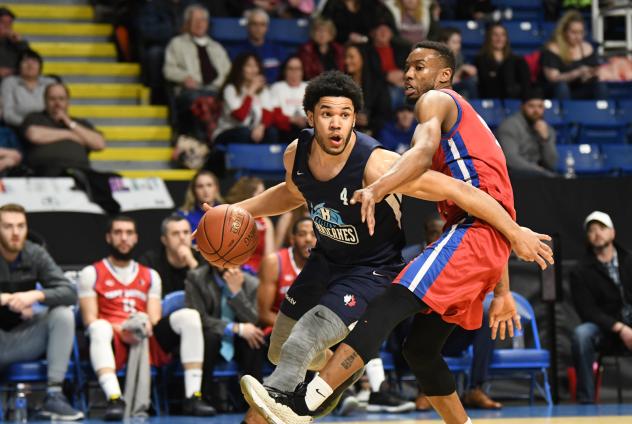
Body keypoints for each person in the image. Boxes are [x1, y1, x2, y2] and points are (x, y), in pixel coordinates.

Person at [241, 44, 552, 424]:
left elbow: (433, 166)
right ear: (310, 117)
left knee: (390, 302)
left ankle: (306, 402)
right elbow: (483, 210)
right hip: (477, 231)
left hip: (475, 229)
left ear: (444, 76)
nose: (408, 74)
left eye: (419, 67)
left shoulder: (435, 101)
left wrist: (377, 188)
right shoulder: (301, 152)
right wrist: (502, 290)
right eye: (406, 67)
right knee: (420, 350)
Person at [78, 215, 215, 420]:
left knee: (190, 316)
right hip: (111, 337)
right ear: (108, 237)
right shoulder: (91, 273)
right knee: (98, 327)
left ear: (136, 238)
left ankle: (193, 396)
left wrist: (141, 328)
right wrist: (122, 330)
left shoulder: (150, 275)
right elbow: (89, 319)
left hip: (144, 336)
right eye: (118, 233)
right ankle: (114, 398)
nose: (124, 238)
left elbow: (154, 318)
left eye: (129, 233)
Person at [0, 203, 84, 421]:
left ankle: (54, 395)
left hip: (20, 338)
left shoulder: (34, 253)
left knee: (62, 314)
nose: (16, 233)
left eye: (21, 226)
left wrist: (35, 296)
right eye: (8, 226)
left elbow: (69, 291)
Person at [185, 260, 265, 410]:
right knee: (210, 337)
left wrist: (236, 293)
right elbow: (198, 317)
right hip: (209, 338)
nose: (229, 262)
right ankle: (201, 397)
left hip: (236, 341)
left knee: (255, 338)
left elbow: (254, 320)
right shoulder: (196, 278)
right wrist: (235, 328)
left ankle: (254, 400)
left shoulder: (251, 282)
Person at [570, 211, 632, 404]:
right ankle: (586, 400)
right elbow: (588, 311)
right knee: (582, 335)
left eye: (602, 228)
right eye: (592, 230)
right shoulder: (580, 271)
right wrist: (620, 328)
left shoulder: (629, 261)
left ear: (612, 232)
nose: (597, 233)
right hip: (605, 328)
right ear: (588, 238)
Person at [163, 4, 231, 137]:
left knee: (225, 100)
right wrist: (183, 77)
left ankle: (214, 137)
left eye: (203, 20)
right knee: (200, 101)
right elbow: (168, 69)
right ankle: (206, 137)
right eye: (195, 20)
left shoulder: (217, 47)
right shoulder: (176, 43)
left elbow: (228, 73)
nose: (200, 24)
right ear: (188, 23)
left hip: (214, 90)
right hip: (191, 91)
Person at [21, 82, 106, 176]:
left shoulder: (79, 123)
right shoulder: (35, 118)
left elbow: (100, 144)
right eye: (52, 99)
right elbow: (34, 135)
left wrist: (70, 123)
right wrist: (70, 134)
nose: (57, 103)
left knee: (116, 182)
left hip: (80, 171)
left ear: (68, 102)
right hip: (45, 171)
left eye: (61, 99)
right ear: (45, 101)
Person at [258, 217, 316, 330]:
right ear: (292, 239)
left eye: (314, 235)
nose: (308, 239)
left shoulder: (325, 266)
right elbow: (264, 314)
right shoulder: (274, 262)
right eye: (302, 234)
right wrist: (301, 333)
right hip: (276, 329)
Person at [213, 53, 278, 145]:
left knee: (271, 132)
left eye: (256, 66)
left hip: (252, 131)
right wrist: (251, 90)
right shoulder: (231, 89)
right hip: (227, 132)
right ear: (240, 69)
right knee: (244, 132)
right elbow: (240, 116)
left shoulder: (263, 90)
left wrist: (261, 127)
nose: (253, 70)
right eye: (249, 66)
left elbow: (268, 113)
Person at [541, 10, 607, 100]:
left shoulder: (587, 48)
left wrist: (591, 73)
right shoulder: (553, 49)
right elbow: (553, 78)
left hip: (580, 89)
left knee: (600, 86)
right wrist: (577, 73)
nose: (578, 37)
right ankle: (563, 112)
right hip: (556, 91)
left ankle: (601, 112)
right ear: (564, 32)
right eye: (573, 32)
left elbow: (595, 72)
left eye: (581, 32)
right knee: (562, 87)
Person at [497, 88, 558, 178]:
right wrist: (538, 170)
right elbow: (511, 160)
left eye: (540, 106)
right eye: (531, 106)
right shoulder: (509, 126)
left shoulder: (547, 129)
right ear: (522, 107)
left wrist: (545, 140)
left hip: (539, 176)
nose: (536, 111)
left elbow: (552, 164)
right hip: (515, 176)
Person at [139, 215, 202, 296]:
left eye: (186, 232)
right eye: (175, 233)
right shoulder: (150, 261)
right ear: (164, 240)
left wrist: (192, 262)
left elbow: (209, 294)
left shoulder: (203, 257)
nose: (182, 237)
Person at [224, 177, 275, 274]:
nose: (265, 197)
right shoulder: (232, 218)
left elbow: (269, 257)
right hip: (234, 271)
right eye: (260, 193)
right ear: (248, 196)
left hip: (259, 274)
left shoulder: (265, 222)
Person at [344, 43, 392, 136]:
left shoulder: (377, 83)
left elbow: (385, 113)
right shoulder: (341, 83)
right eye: (346, 57)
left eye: (351, 57)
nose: (347, 61)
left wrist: (369, 121)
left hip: (373, 132)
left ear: (363, 58)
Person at [229, 8, 288, 83]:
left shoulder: (278, 50)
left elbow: (284, 75)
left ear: (267, 28)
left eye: (262, 25)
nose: (258, 28)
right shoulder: (236, 51)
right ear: (248, 26)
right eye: (254, 24)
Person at [474, 23, 531, 99]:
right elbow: (485, 82)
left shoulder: (517, 60)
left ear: (506, 38)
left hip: (513, 98)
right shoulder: (480, 59)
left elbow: (525, 84)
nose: (499, 38)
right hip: (490, 97)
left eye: (503, 35)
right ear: (489, 37)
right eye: (495, 35)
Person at [1, 49, 55, 127]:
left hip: (47, 126)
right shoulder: (9, 82)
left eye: (34, 62)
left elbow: (57, 108)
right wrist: (28, 125)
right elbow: (8, 114)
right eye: (25, 61)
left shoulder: (50, 83)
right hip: (18, 126)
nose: (30, 65)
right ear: (19, 66)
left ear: (40, 66)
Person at [321, 0, 397, 45]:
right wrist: (347, 36)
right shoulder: (332, 5)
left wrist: (382, 30)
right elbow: (324, 29)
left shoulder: (371, 3)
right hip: (341, 47)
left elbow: (386, 22)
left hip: (370, 47)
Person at [270, 56, 309, 142]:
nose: (294, 72)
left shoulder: (309, 87)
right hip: (285, 128)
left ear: (302, 71)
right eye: (290, 69)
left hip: (307, 125)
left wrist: (307, 119)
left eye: (297, 69)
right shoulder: (277, 88)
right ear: (285, 71)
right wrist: (292, 120)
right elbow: (274, 114)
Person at [438, 27, 478, 99]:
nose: (458, 46)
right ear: (443, 43)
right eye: (454, 42)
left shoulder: (458, 56)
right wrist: (461, 70)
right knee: (469, 84)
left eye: (459, 42)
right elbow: (443, 84)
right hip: (440, 94)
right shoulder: (436, 59)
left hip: (455, 91)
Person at [177, 169, 223, 233]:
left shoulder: (227, 213)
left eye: (209, 185)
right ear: (194, 190)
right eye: (200, 186)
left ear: (216, 188)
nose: (206, 190)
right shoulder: (183, 216)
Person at [0, 7, 29, 81]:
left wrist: (19, 43)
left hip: (13, 83)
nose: (7, 26)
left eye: (9, 23)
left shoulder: (17, 44)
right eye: (3, 22)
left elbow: (30, 63)